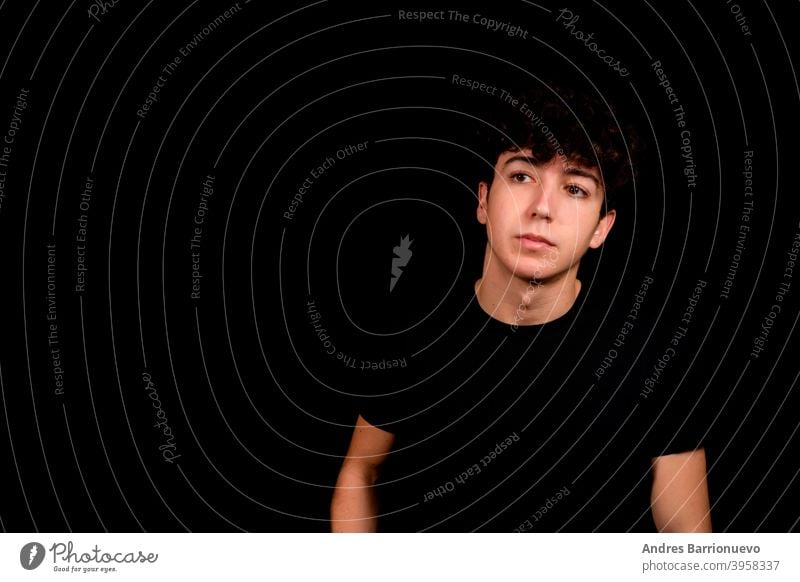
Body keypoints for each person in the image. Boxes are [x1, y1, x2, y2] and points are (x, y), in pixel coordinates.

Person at [330, 81, 712, 532]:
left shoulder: (652, 354)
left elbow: (689, 543)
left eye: (574, 189)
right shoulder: (415, 335)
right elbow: (359, 473)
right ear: (483, 201)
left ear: (601, 229)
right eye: (522, 176)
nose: (542, 208)